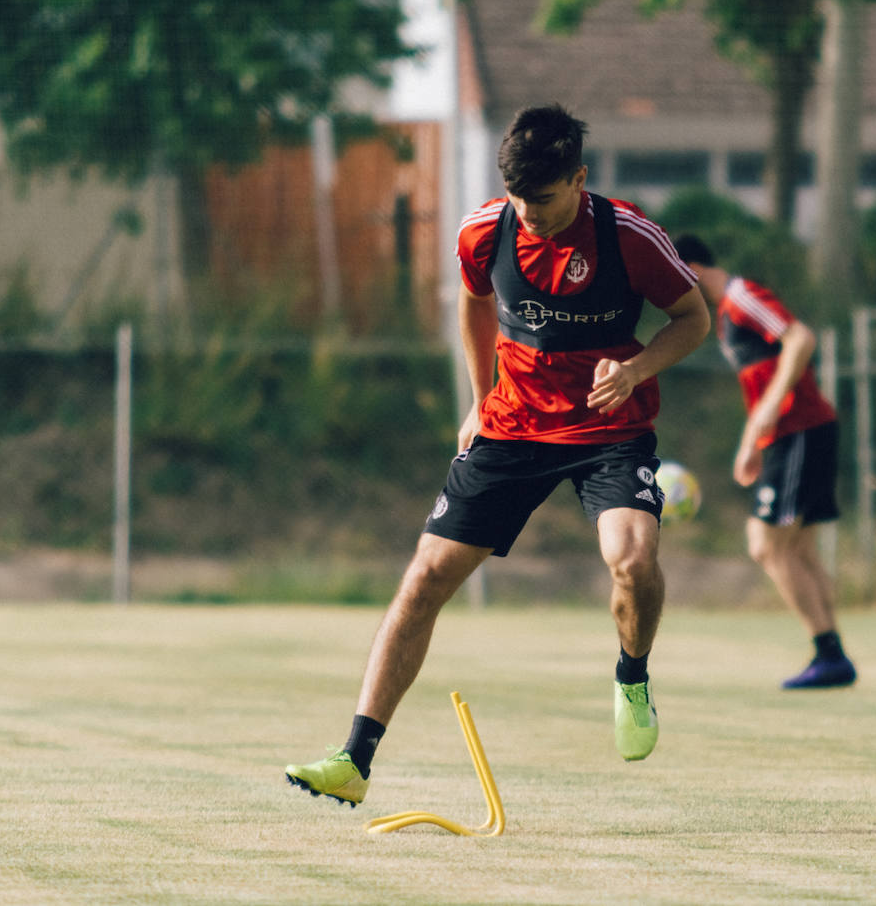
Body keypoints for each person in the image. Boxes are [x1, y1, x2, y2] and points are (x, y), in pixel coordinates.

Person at [284, 104, 710, 806]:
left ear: (578, 178)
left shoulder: (630, 236)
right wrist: (481, 399)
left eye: (542, 199)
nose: (529, 213)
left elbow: (694, 318)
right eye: (518, 197)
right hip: (514, 426)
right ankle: (355, 759)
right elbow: (475, 304)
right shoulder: (485, 229)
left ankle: (632, 675)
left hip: (609, 429)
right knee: (423, 580)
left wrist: (637, 370)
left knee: (632, 561)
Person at [671, 234, 857, 690]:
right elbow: (763, 380)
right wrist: (752, 439)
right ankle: (832, 656)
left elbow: (800, 338)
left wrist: (772, 410)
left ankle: (829, 652)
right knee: (798, 548)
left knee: (765, 543)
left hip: (799, 429)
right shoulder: (723, 319)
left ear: (690, 268)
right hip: (788, 434)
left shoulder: (742, 297)